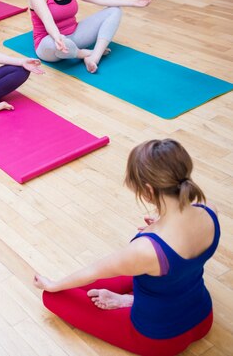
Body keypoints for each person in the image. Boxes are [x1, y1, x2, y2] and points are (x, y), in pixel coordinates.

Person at [33, 139, 219, 356]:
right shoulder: (209, 210)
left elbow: (93, 271)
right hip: (203, 317)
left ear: (148, 190)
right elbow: (181, 243)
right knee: (161, 274)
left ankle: (129, 300)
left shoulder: (145, 249)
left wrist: (53, 285)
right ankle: (131, 299)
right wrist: (162, 222)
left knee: (54, 296)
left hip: (161, 340)